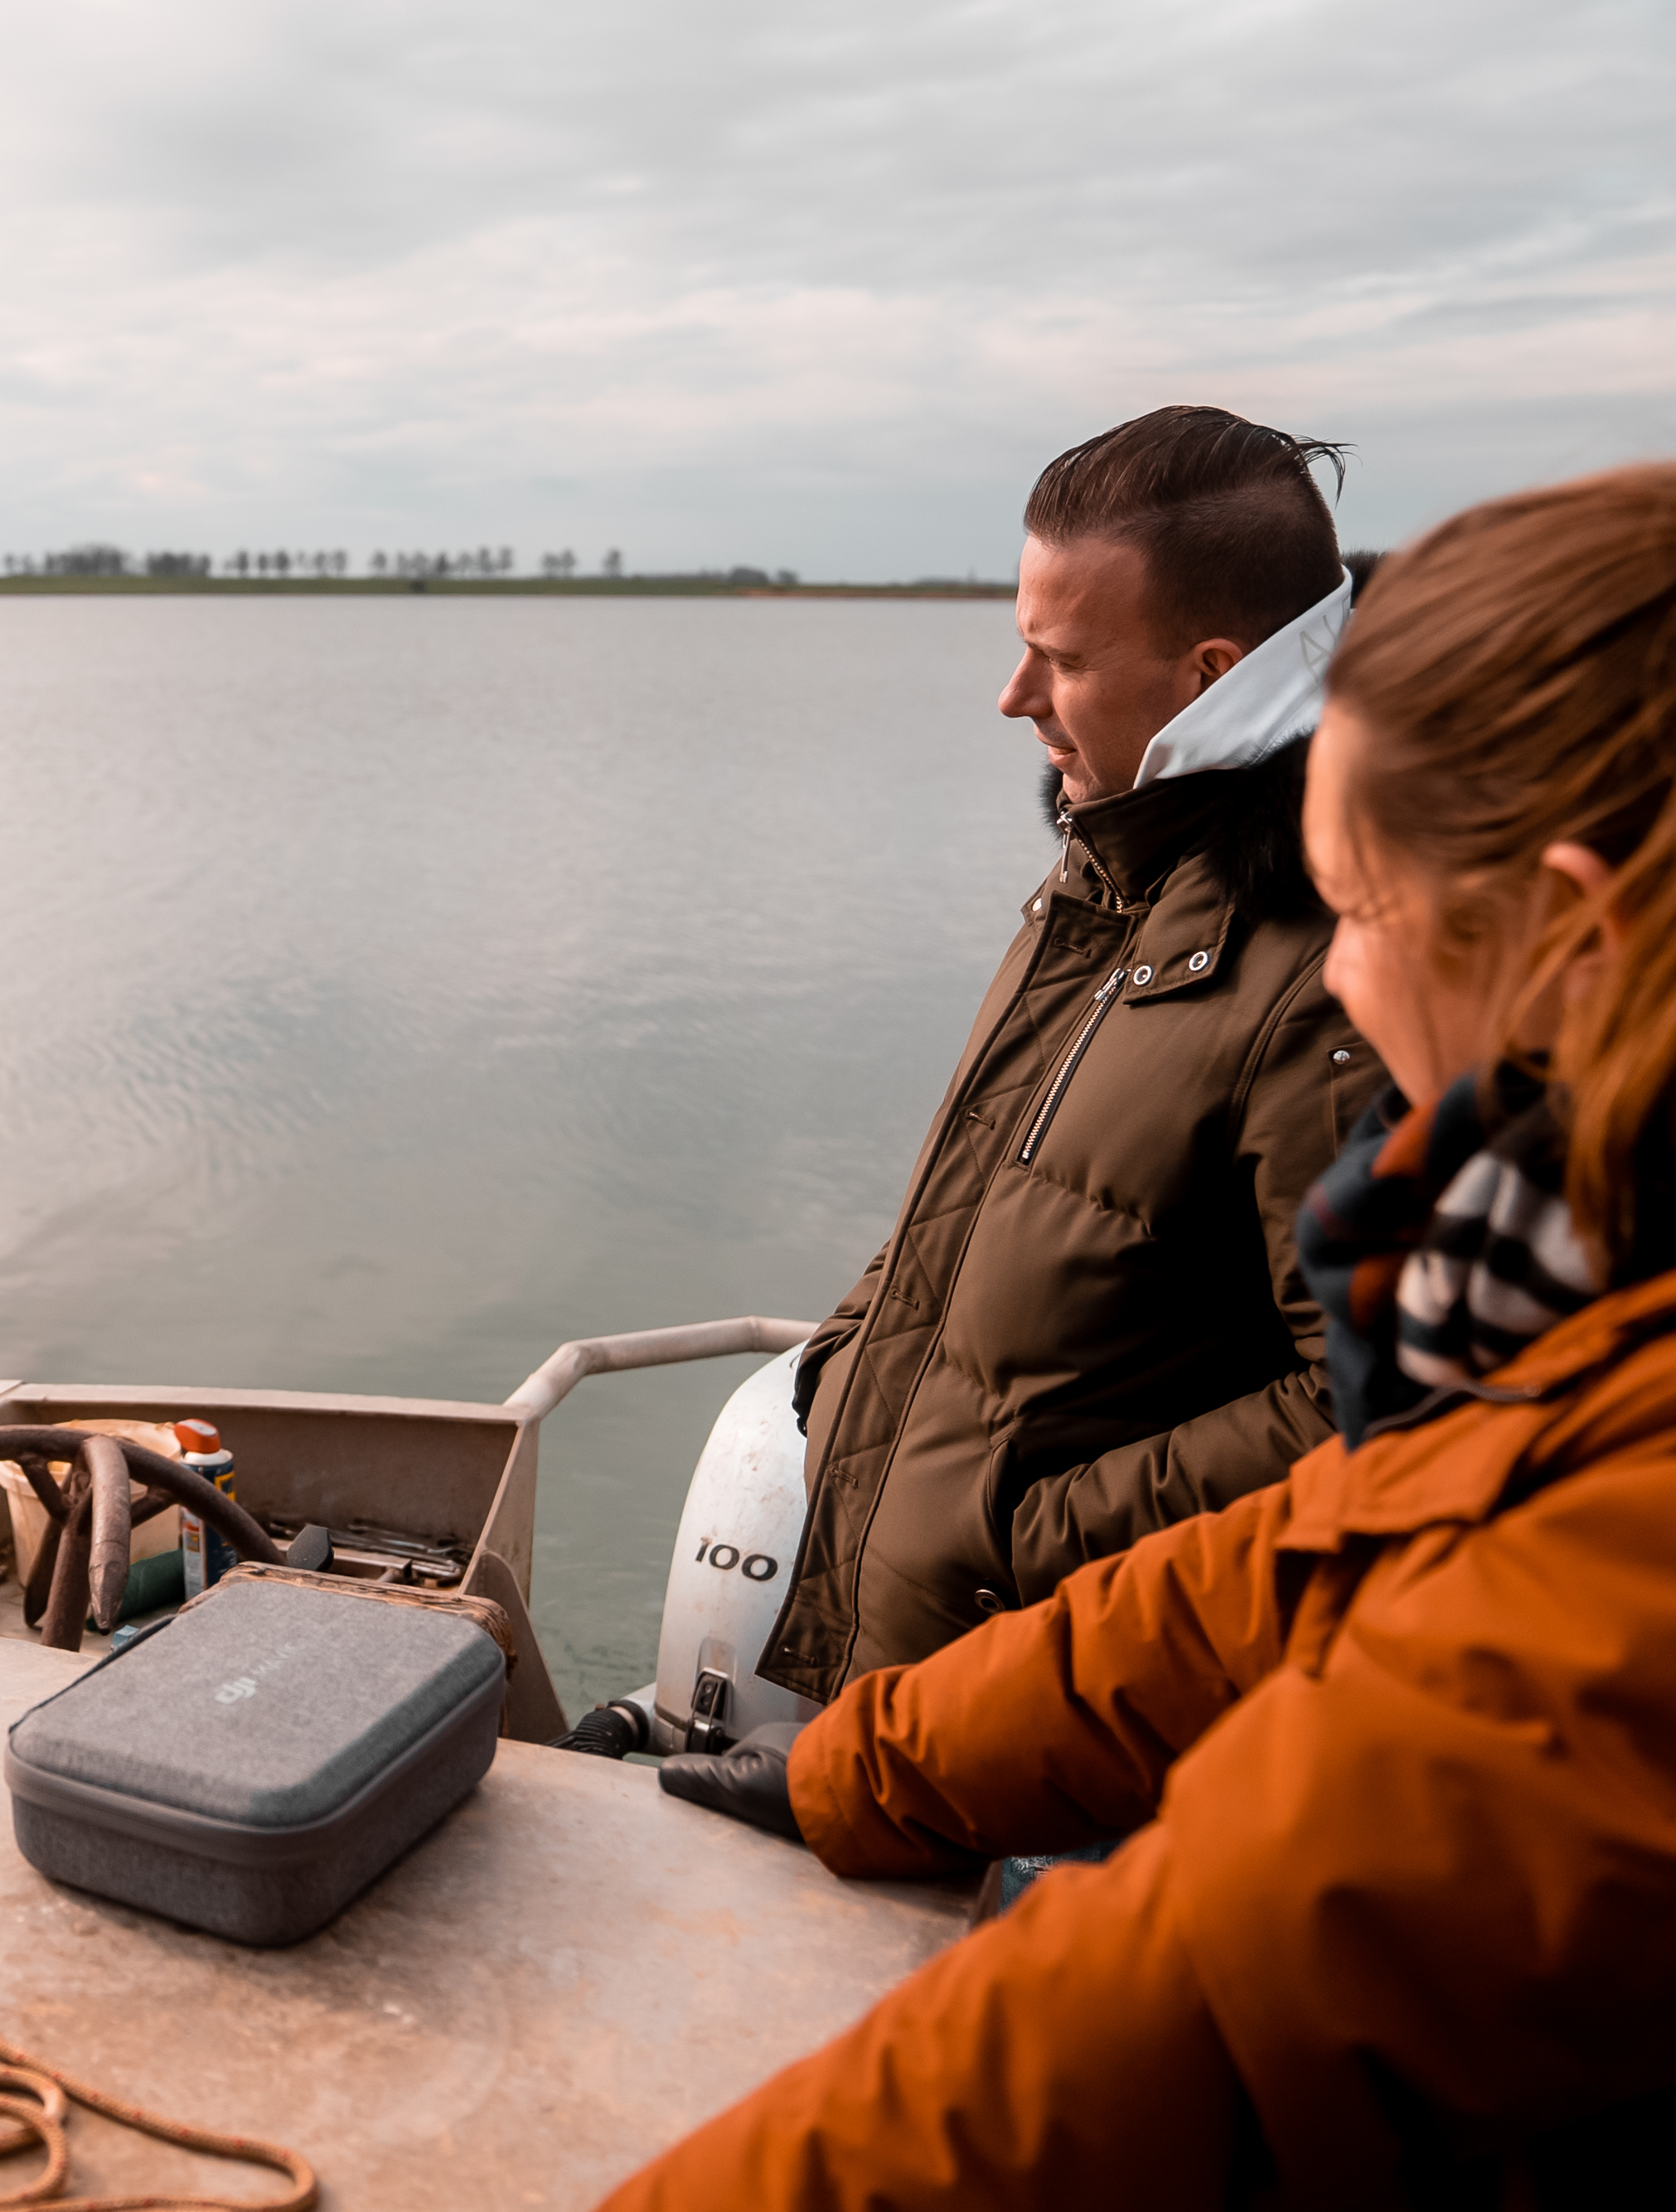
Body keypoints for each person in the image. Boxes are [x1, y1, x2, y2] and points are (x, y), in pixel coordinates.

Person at [622, 460, 1676, 2205]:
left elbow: (1187, 2001)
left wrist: (1011, 1539)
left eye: (1374, 911)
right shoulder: (1565, 1331)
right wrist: (860, 1762)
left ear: (1569, 934)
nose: (1343, 973)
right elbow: (1294, 1557)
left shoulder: (1613, 1561)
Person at [758, 406, 1383, 1706]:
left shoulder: (1336, 972)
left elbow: (1368, 1411)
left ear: (1211, 673)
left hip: (1073, 1710)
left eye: (1062, 657)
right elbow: (986, 1185)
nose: (1015, 695)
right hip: (932, 1691)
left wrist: (1015, 1531)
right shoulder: (1109, 876)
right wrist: (844, 1359)